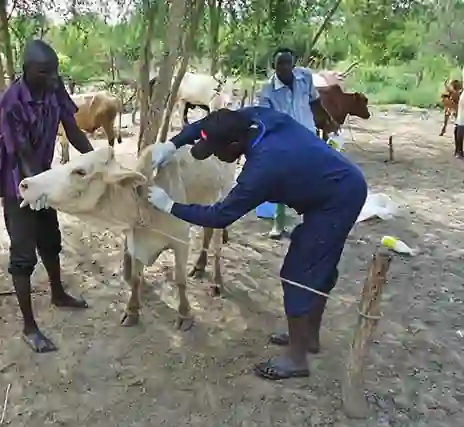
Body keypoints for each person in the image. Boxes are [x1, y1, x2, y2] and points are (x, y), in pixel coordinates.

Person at [146, 107, 367, 380]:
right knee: (318, 264)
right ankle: (308, 337)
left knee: (298, 273)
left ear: (235, 145)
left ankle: (297, 358)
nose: (214, 156)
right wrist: (173, 143)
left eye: (216, 151)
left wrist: (170, 206)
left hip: (337, 198)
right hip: (329, 184)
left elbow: (221, 215)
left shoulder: (263, 168)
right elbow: (207, 123)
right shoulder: (256, 117)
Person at [0, 39, 94, 353]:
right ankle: (29, 327)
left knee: (51, 238)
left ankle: (58, 293)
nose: (53, 78)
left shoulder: (54, 87)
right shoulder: (10, 102)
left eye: (55, 72)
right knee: (23, 255)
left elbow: (72, 130)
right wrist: (41, 188)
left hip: (44, 175)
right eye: (45, 73)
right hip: (16, 182)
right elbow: (21, 154)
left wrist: (98, 162)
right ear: (27, 70)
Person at [258, 47, 339, 240]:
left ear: (294, 64)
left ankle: (313, 222)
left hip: (308, 136)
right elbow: (264, 120)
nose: (284, 67)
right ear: (273, 66)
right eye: (280, 64)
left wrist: (328, 122)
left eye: (288, 63)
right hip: (284, 141)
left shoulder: (305, 78)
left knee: (312, 180)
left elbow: (315, 103)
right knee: (282, 182)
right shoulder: (268, 91)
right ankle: (278, 224)